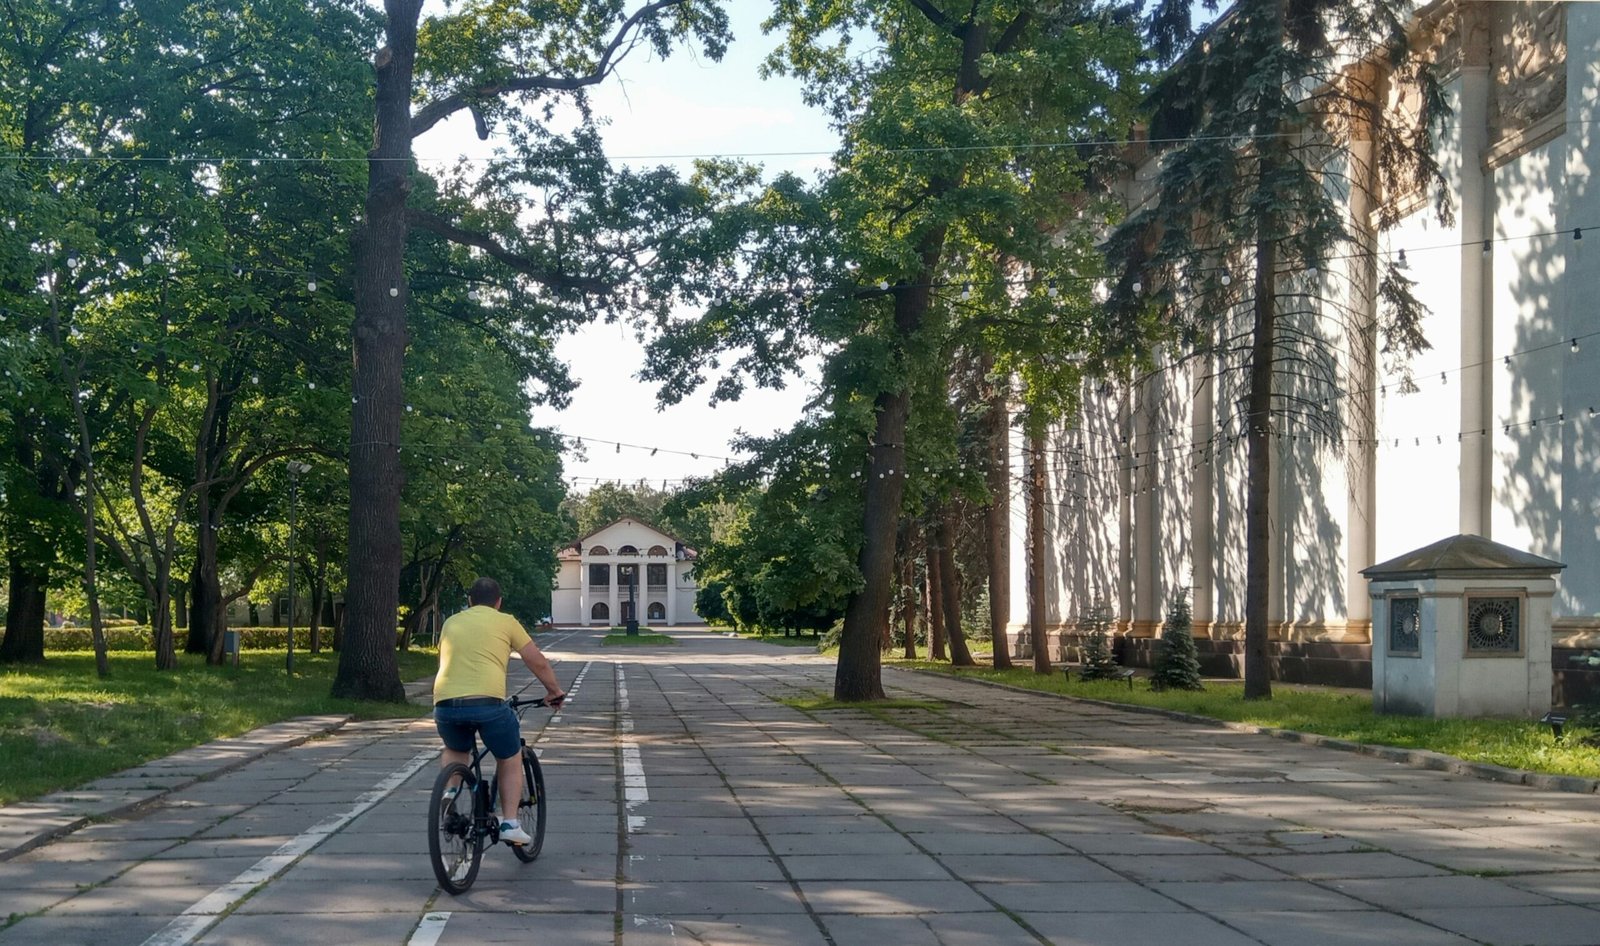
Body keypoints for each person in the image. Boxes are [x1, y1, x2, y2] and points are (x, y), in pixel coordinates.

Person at [432, 576, 565, 845]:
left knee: (456, 750)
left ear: (469, 601)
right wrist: (554, 692)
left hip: (445, 704)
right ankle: (510, 823)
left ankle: (448, 794)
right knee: (510, 755)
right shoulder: (506, 621)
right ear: (499, 602)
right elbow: (536, 661)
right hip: (487, 705)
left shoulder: (451, 622)